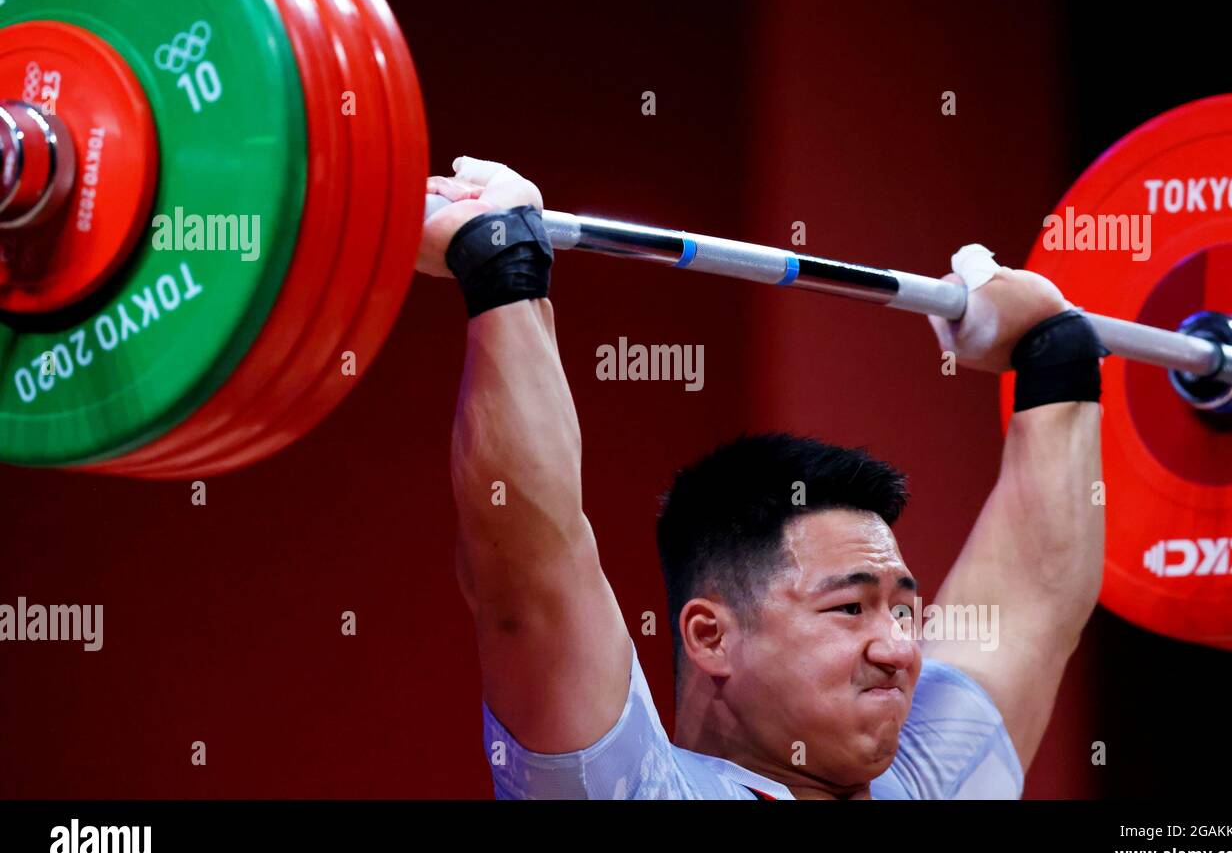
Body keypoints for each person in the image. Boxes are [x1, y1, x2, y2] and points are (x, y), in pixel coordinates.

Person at [418, 157, 1104, 800]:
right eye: (849, 609)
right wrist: (504, 268)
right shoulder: (635, 787)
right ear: (712, 636)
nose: (900, 648)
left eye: (902, 610)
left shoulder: (927, 782)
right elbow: (526, 567)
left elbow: (1039, 597)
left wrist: (1054, 350)